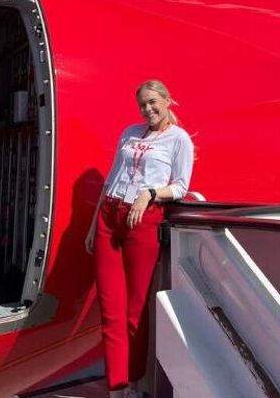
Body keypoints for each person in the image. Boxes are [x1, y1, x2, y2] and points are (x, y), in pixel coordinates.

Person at [84, 79, 194, 398]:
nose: (147, 109)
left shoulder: (178, 140)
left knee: (135, 309)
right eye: (142, 105)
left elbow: (181, 187)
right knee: (110, 309)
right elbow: (111, 178)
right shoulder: (129, 132)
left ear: (167, 100)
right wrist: (94, 225)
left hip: (142, 220)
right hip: (110, 215)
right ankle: (115, 389)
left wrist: (149, 194)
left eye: (152, 102)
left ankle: (131, 383)